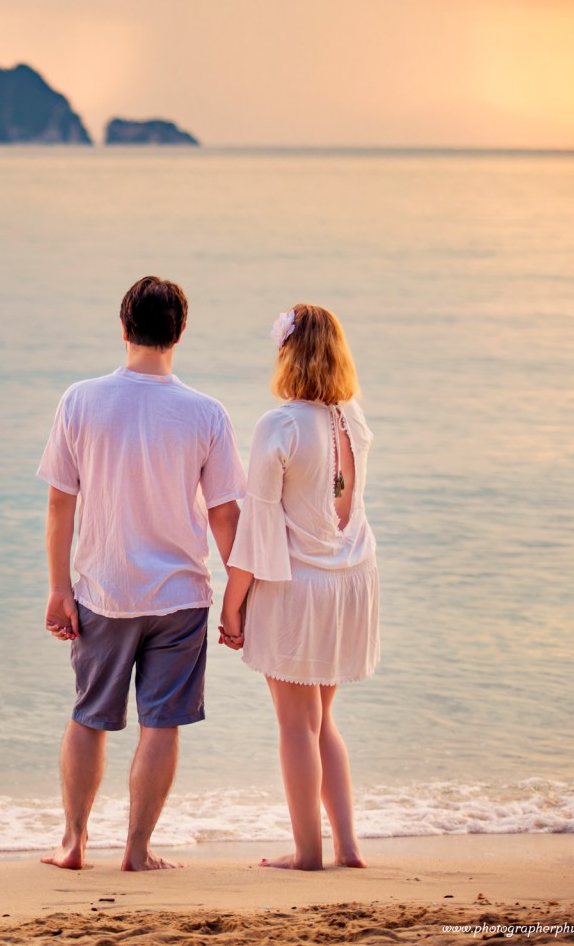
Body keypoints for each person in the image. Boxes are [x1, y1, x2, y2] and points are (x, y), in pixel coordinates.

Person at [36, 276, 247, 871]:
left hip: (103, 590)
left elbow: (60, 504)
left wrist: (59, 589)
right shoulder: (206, 412)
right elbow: (225, 513)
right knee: (162, 724)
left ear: (123, 327)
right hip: (180, 597)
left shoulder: (81, 400)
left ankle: (73, 844)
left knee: (88, 715)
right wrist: (236, 594)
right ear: (180, 332)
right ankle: (137, 850)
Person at [217, 303, 380, 871]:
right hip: (350, 579)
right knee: (323, 720)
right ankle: (348, 848)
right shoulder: (351, 417)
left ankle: (308, 853)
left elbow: (259, 526)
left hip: (298, 587)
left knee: (295, 724)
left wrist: (231, 608)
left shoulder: (280, 424)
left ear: (288, 352)